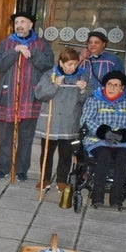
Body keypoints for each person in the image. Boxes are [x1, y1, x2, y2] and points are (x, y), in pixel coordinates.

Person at [0, 11, 55, 181]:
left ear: (31, 25)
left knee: (26, 137)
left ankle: (21, 169)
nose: (19, 25)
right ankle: (4, 167)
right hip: (8, 96)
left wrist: (32, 53)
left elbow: (48, 65)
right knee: (6, 136)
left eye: (23, 22)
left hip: (30, 97)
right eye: (17, 22)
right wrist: (15, 51)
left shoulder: (42, 44)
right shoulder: (6, 43)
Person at [34, 48, 89, 193]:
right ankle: (44, 179)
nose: (73, 68)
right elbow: (39, 95)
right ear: (61, 63)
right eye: (69, 64)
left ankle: (61, 180)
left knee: (66, 154)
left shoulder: (82, 77)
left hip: (69, 122)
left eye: (75, 64)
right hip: (50, 121)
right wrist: (55, 85)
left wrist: (83, 91)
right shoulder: (49, 75)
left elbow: (85, 102)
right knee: (46, 152)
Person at [80, 71, 126, 209]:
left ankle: (116, 199)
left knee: (123, 157)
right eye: (109, 84)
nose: (112, 87)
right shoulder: (94, 99)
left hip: (122, 142)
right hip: (97, 140)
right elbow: (86, 120)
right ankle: (97, 197)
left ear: (122, 88)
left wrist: (123, 134)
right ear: (104, 86)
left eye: (116, 85)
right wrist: (103, 131)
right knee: (104, 155)